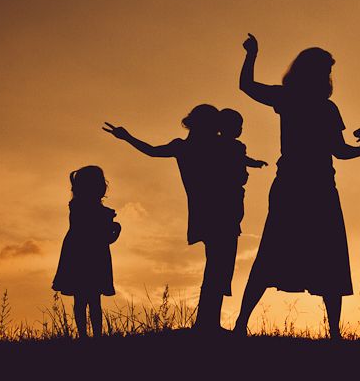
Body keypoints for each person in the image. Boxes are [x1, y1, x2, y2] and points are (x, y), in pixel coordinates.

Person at [233, 33, 360, 340]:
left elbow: (339, 150)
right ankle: (243, 324)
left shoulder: (297, 100)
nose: (328, 76)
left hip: (304, 184)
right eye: (325, 70)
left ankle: (245, 325)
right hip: (307, 186)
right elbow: (341, 151)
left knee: (313, 256)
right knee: (309, 255)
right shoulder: (311, 103)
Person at [103, 103, 263, 332]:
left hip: (210, 213)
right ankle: (208, 324)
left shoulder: (187, 147)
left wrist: (127, 137)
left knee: (217, 267)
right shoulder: (211, 146)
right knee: (219, 267)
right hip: (221, 213)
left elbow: (151, 150)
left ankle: (207, 323)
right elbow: (152, 151)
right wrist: (127, 136)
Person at [52, 165, 121, 338]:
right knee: (87, 298)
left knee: (87, 298)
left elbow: (105, 237)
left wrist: (113, 227)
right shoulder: (79, 207)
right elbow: (100, 233)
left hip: (81, 254)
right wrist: (112, 225)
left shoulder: (81, 207)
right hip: (86, 255)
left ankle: (91, 335)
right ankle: (88, 335)